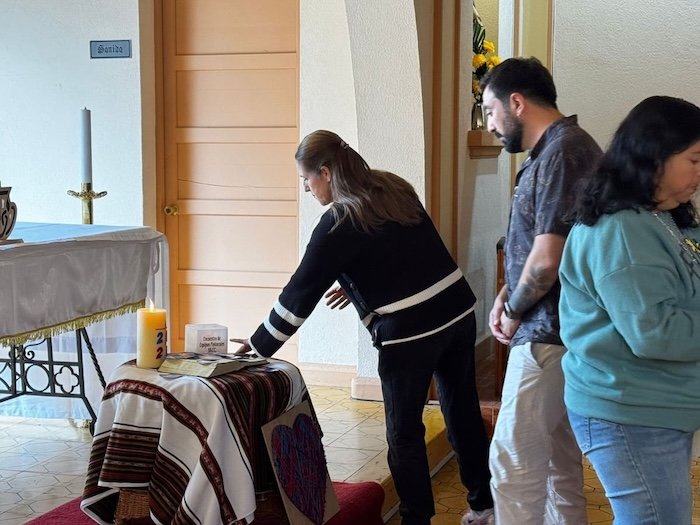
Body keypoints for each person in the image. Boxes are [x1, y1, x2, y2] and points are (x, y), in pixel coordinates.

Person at [232, 130, 494, 525]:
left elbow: (299, 294)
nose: (306, 188)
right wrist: (357, 285)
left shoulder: (337, 221)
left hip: (410, 335)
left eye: (306, 179)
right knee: (462, 412)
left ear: (325, 172)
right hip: (456, 312)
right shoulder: (392, 186)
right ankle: (484, 506)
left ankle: (417, 520)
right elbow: (408, 251)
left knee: (404, 434)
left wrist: (256, 349)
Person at [559, 95, 700, 524]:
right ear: (654, 156)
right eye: (695, 160)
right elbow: (656, 332)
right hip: (628, 412)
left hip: (655, 404)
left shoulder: (663, 215)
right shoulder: (622, 230)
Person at [480, 57, 602, 524]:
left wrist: (513, 310)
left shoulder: (564, 152)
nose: (491, 126)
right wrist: (507, 294)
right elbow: (537, 245)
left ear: (517, 103)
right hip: (554, 329)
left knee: (512, 463)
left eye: (490, 112)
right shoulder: (555, 150)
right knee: (556, 466)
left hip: (547, 332)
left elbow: (550, 258)